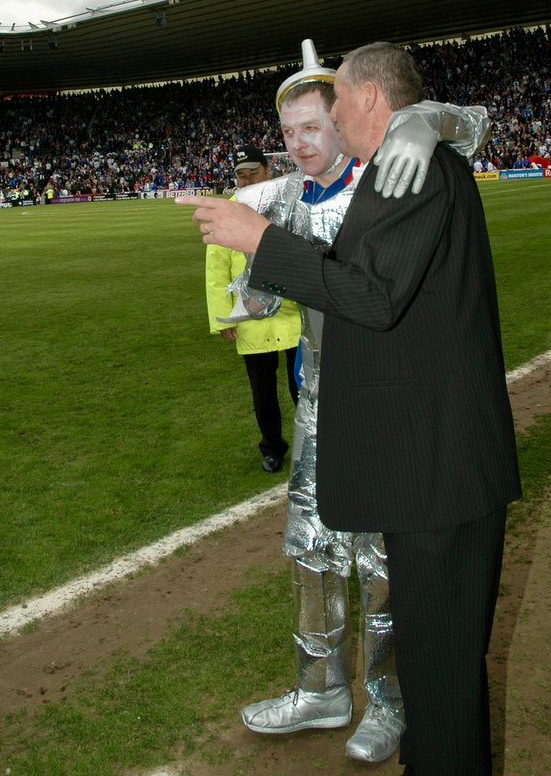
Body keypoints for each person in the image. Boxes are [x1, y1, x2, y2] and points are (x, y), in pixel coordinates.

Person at [180, 41, 521, 776]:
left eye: (332, 103)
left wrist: (262, 242)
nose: (326, 120)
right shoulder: (385, 167)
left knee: (435, 660)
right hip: (405, 446)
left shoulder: (409, 166)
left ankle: (394, 711)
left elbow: (372, 296)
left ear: (367, 100)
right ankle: (336, 694)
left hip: (433, 465)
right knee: (430, 659)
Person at [205, 144, 300, 473]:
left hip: (294, 311)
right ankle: (272, 448)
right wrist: (222, 318)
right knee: (263, 391)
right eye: (241, 176)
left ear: (267, 171)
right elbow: (216, 269)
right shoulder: (225, 212)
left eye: (253, 173)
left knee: (303, 385)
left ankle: (314, 443)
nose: (247, 181)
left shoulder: (289, 203)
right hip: (250, 314)